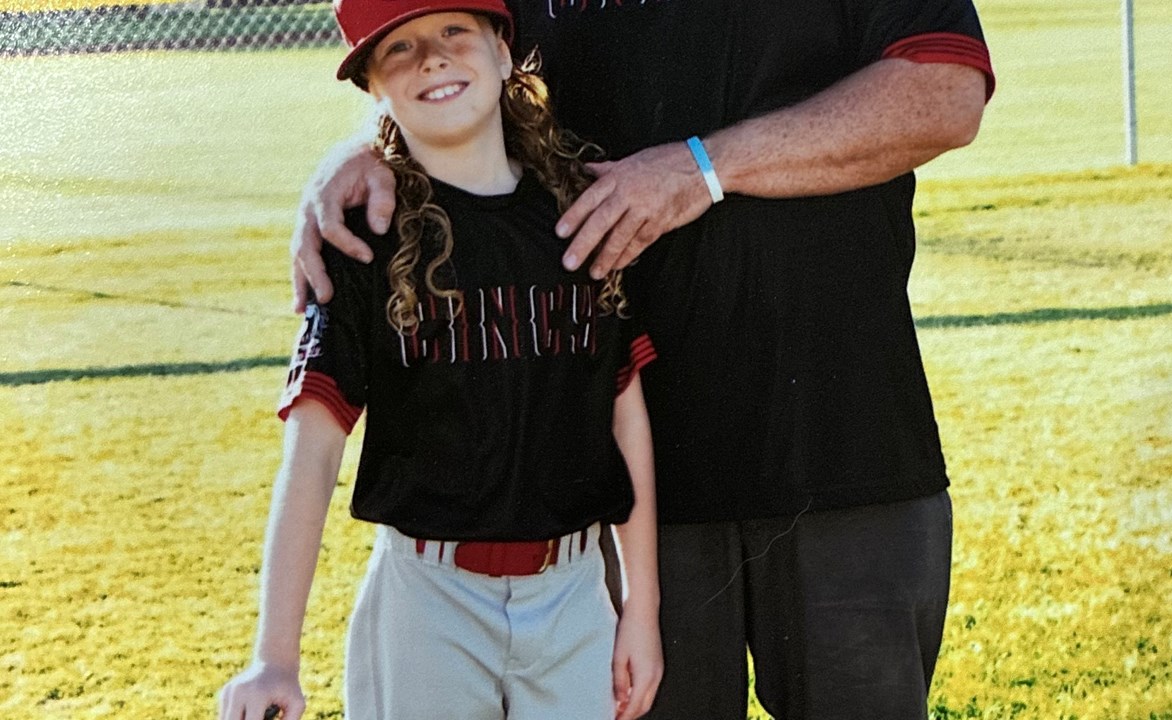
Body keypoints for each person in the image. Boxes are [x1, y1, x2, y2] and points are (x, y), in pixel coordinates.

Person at [293, 1, 996, 718]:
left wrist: (702, 168)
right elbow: (453, 62)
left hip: (845, 451)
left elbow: (945, 92)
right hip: (632, 494)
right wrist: (362, 150)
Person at [218, 1, 663, 719]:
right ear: (374, 89)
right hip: (428, 600)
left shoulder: (577, 211)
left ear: (503, 50)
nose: (431, 57)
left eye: (455, 31)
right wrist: (275, 655)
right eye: (398, 48)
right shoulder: (366, 238)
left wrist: (640, 608)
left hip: (575, 592)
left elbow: (625, 415)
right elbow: (313, 451)